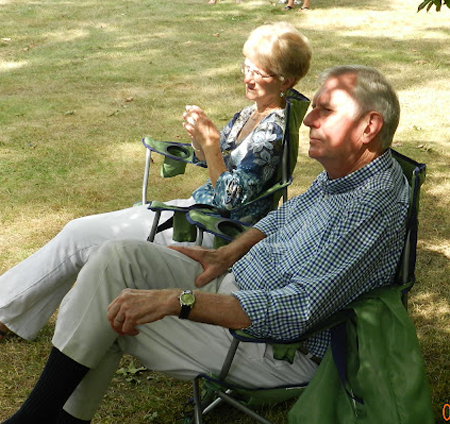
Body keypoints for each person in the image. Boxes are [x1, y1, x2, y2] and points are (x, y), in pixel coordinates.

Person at [1, 65, 410, 424]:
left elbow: (297, 310)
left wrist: (180, 302)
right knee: (115, 258)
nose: (307, 122)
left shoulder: (371, 205)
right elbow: (285, 214)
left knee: (109, 310)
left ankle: (36, 418)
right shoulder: (349, 171)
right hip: (235, 285)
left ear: (369, 126)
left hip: (273, 347)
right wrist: (228, 252)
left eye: (325, 110)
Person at [0, 22, 312, 343]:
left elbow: (230, 197)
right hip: (197, 210)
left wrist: (211, 144)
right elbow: (214, 163)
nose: (248, 77)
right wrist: (199, 143)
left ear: (285, 80)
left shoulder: (272, 133)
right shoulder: (250, 114)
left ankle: (5, 312)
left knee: (80, 235)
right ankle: (9, 312)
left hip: (213, 230)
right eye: (247, 66)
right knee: (81, 232)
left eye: (259, 73)